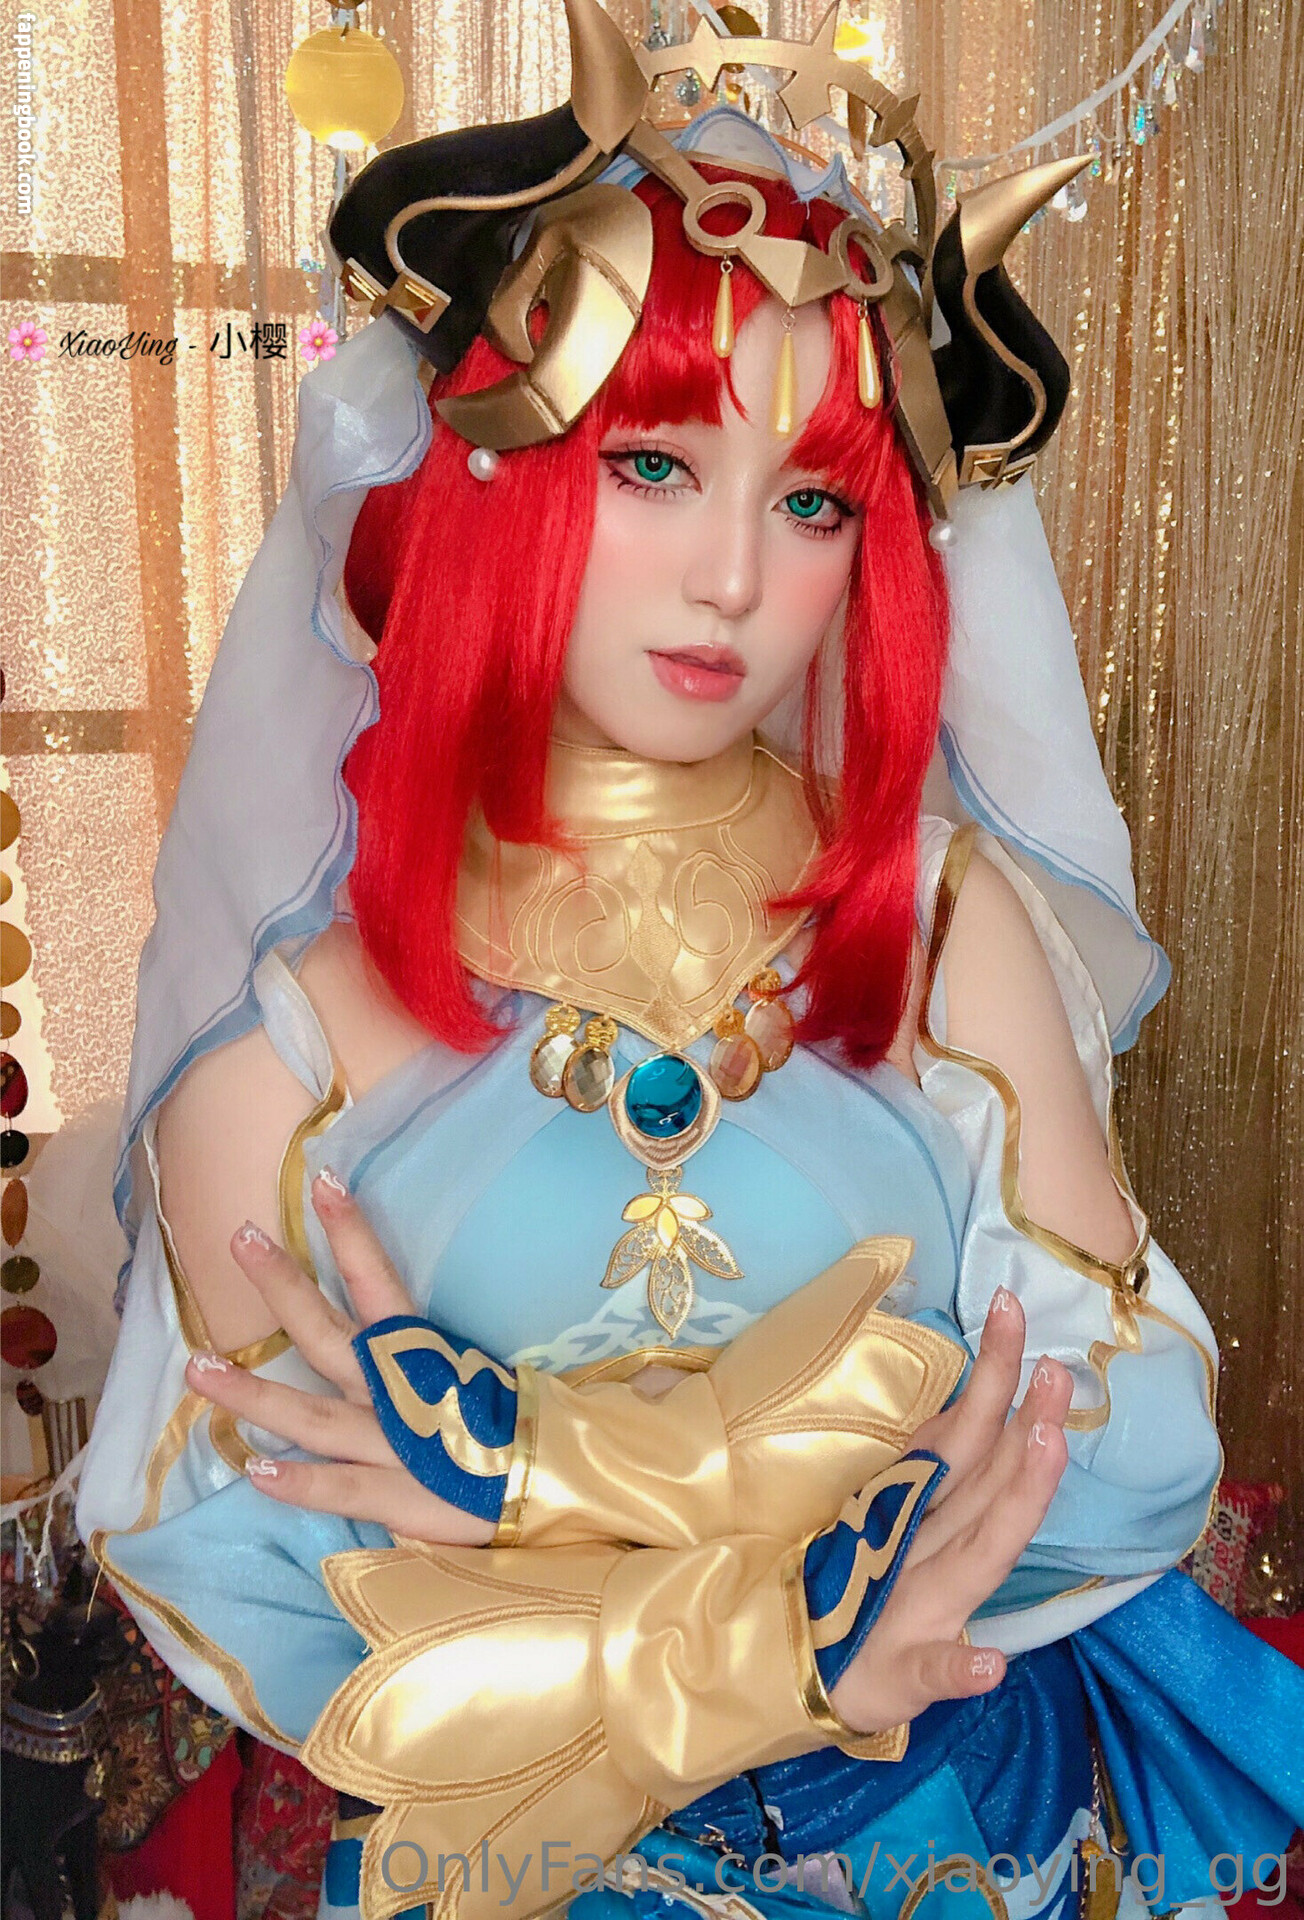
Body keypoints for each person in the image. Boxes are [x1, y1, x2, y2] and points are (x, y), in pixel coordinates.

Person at [75, 8, 1304, 1920]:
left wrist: (535, 1479)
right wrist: (792, 1629)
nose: (735, 578)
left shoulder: (941, 913)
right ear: (489, 471)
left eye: (811, 502)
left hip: (955, 1839)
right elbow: (245, 1567)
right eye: (654, 464)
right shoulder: (294, 1004)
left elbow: (1131, 1434)